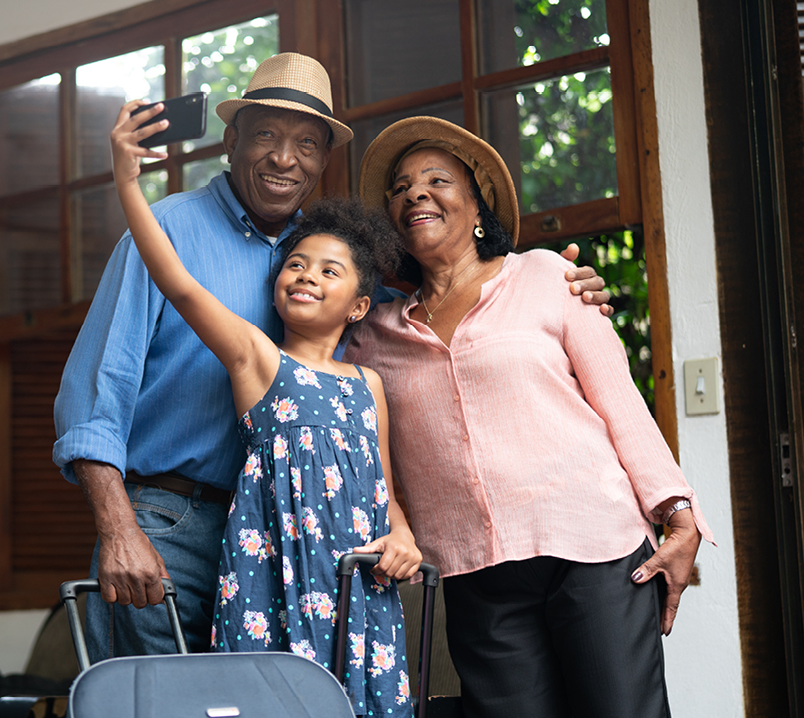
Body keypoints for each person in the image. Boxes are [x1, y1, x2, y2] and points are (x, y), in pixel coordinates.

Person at [51, 52, 610, 662]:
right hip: (171, 522)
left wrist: (552, 282)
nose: (285, 158)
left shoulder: (335, 263)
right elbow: (93, 395)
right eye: (265, 134)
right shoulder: (165, 235)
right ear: (231, 140)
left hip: (293, 540)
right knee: (157, 700)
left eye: (307, 145)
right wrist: (119, 527)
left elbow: (447, 291)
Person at [345, 115, 716, 718]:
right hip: (473, 572)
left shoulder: (546, 275)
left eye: (437, 179)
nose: (415, 193)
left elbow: (619, 403)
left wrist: (679, 515)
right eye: (400, 187)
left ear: (477, 207)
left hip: (593, 549)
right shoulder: (371, 334)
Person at [110, 96, 420, 716]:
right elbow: (177, 280)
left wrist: (404, 535)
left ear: (362, 304)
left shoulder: (369, 385)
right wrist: (124, 179)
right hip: (274, 580)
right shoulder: (259, 358)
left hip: (357, 590)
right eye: (297, 264)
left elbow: (384, 485)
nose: (306, 275)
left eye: (331, 271)